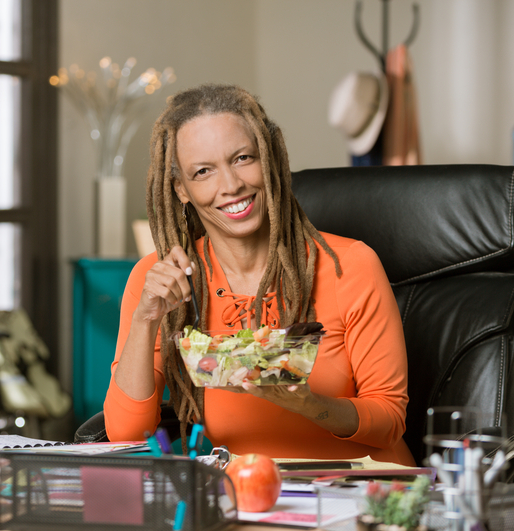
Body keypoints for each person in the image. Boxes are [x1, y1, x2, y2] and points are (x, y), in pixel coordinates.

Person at [103, 84, 415, 465]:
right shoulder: (159, 281)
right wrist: (146, 318)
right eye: (203, 171)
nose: (231, 185)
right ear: (181, 189)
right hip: (253, 498)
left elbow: (390, 419)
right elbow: (125, 436)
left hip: (364, 490)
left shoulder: (350, 265)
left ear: (269, 158)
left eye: (242, 158)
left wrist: (310, 404)